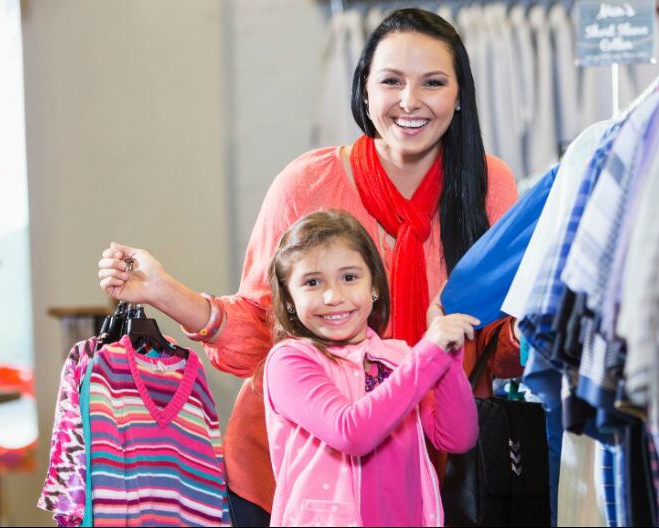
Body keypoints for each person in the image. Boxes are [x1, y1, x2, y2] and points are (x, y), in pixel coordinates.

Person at [98, 8, 522, 525]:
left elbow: (500, 344)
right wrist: (165, 292)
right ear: (364, 90)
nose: (410, 101)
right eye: (391, 81)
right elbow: (265, 326)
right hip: (291, 483)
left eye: (433, 83)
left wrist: (536, 327)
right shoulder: (305, 183)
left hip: (422, 479)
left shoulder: (488, 185)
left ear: (460, 97)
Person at [263, 210, 478, 527]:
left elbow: (457, 437)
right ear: (290, 299)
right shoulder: (290, 361)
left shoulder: (400, 357)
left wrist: (447, 357)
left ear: (374, 285)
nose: (334, 296)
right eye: (312, 282)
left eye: (349, 277)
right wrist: (429, 354)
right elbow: (351, 432)